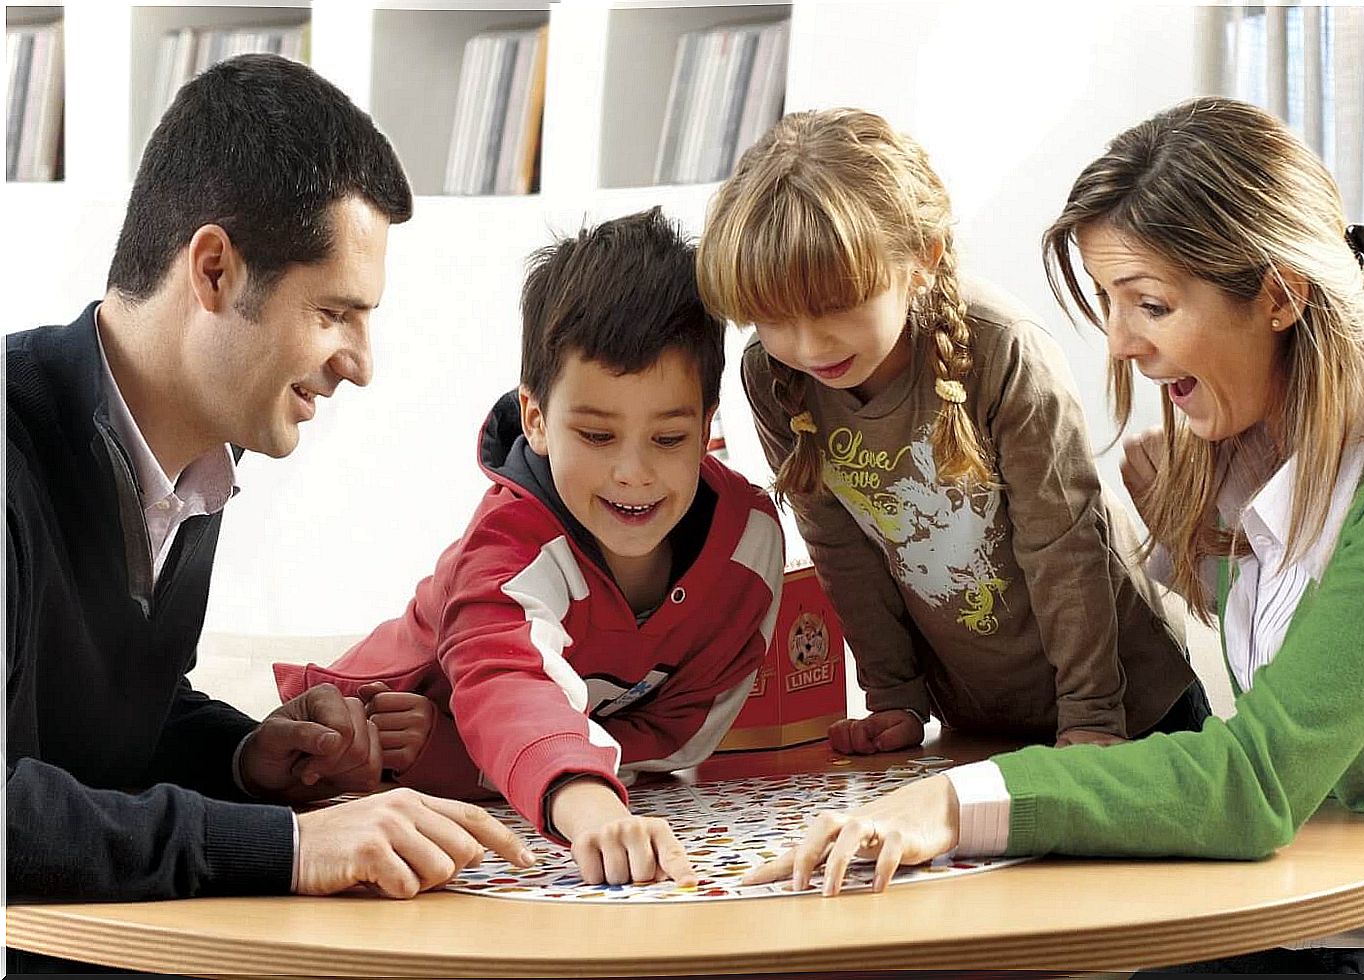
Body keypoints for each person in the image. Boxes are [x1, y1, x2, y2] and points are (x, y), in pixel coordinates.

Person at [742, 98, 1364, 975]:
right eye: (1112, 304)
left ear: (1279, 294)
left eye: (1149, 304)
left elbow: (1256, 782)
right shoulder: (1236, 460)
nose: (1119, 345)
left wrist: (953, 802)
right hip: (1283, 909)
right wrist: (1198, 550)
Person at [5, 53, 533, 946]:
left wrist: (248, 759)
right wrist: (284, 844)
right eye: (334, 314)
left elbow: (82, 733)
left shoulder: (194, 469)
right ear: (212, 271)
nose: (361, 363)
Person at [274, 207, 786, 888]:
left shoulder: (747, 549)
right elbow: (504, 683)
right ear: (537, 420)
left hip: (515, 773)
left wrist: (470, 759)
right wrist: (593, 808)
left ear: (706, 427)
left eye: (668, 438)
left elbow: (686, 732)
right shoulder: (508, 547)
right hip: (366, 742)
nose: (633, 472)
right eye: (598, 436)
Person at [696, 108, 1208, 756]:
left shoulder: (1002, 351)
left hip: (1129, 705)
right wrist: (895, 698)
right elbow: (840, 549)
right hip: (980, 714)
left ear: (921, 259)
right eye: (773, 319)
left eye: (833, 307)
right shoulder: (775, 377)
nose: (806, 344)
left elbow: (1064, 544)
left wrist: (1090, 716)